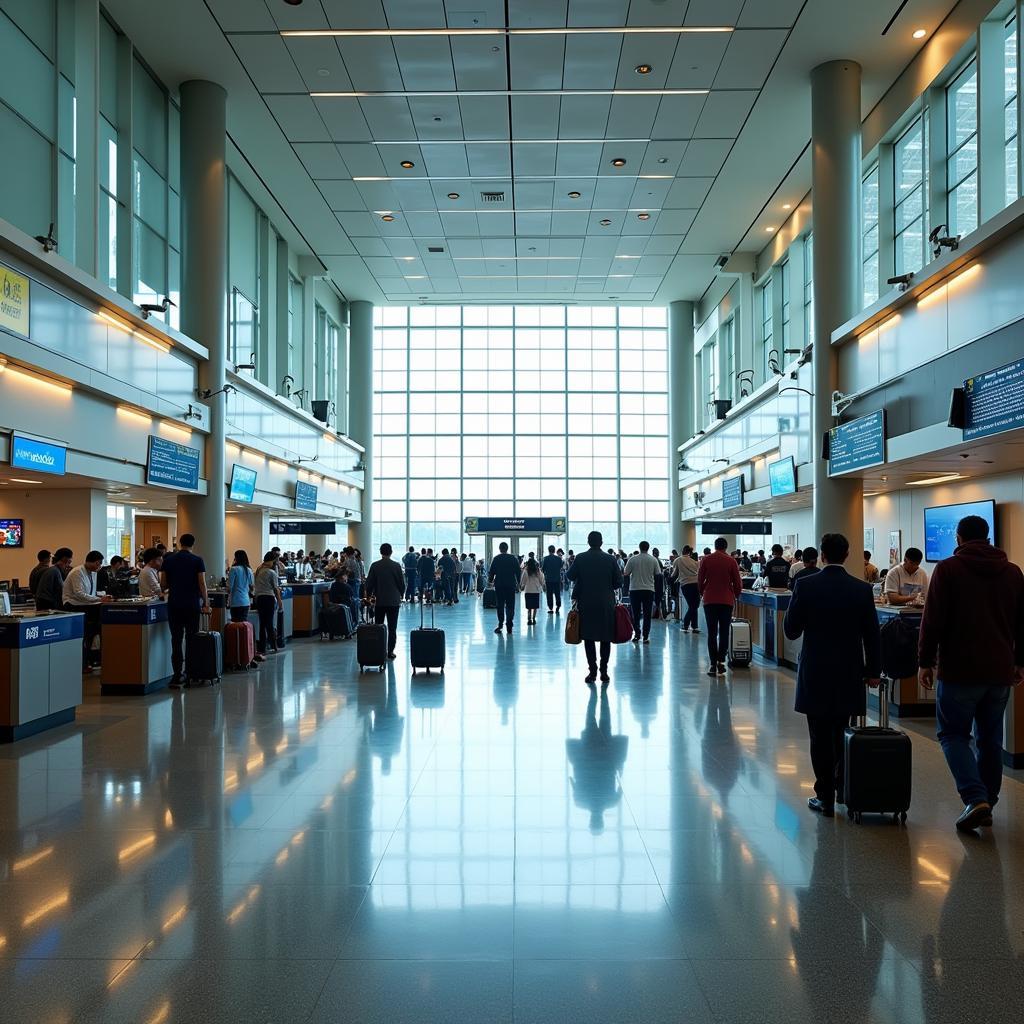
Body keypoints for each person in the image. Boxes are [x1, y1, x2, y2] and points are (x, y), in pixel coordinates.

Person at [918, 514, 1024, 832]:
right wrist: (1019, 660)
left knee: (952, 735)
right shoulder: (1013, 572)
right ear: (988, 538)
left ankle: (975, 797)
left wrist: (924, 661)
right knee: (990, 740)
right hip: (999, 670)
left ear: (959, 539)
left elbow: (932, 619)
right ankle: (987, 803)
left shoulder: (948, 569)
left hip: (959, 670)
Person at [783, 533, 881, 817]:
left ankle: (823, 795)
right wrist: (873, 670)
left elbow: (791, 629)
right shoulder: (861, 590)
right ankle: (842, 789)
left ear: (823, 556)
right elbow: (872, 635)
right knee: (842, 731)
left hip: (815, 671)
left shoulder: (805, 585)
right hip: (849, 672)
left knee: (819, 735)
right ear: (847, 554)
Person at [567, 530, 622, 686]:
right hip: (606, 603)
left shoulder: (581, 558)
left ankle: (592, 671)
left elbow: (570, 576)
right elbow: (618, 582)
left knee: (588, 637)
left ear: (588, 542)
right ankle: (604, 672)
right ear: (602, 542)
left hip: (586, 602)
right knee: (606, 637)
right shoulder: (610, 559)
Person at [160, 533, 211, 687]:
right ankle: (190, 673)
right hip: (192, 605)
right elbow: (202, 583)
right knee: (191, 639)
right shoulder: (197, 560)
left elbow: (163, 584)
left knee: (176, 640)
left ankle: (177, 675)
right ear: (193, 544)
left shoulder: (168, 560)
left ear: (180, 543)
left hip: (174, 604)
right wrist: (206, 603)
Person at [697, 538, 743, 675]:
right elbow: (737, 582)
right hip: (726, 600)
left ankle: (712, 664)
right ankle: (721, 661)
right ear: (726, 546)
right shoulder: (731, 561)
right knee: (724, 631)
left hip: (710, 600)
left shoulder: (706, 560)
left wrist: (702, 592)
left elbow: (700, 580)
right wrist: (736, 595)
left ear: (715, 546)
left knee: (712, 633)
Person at [63, 550, 109, 671]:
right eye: (98, 563)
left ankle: (92, 659)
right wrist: (98, 599)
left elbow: (91, 592)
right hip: (74, 606)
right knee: (84, 635)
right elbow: (79, 594)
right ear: (90, 562)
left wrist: (99, 598)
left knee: (93, 633)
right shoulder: (77, 572)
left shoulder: (93, 572)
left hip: (87, 605)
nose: (99, 566)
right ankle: (83, 663)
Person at [365, 543, 406, 660]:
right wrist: (401, 594)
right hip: (393, 601)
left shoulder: (375, 565)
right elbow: (401, 583)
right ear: (391, 552)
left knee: (379, 626)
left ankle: (379, 649)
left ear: (380, 552)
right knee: (392, 628)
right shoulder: (396, 566)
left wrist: (368, 597)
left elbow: (369, 584)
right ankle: (390, 651)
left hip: (380, 601)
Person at [623, 541, 660, 644]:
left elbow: (626, 573)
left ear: (639, 547)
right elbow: (658, 574)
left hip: (635, 589)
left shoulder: (633, 559)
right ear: (648, 548)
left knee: (635, 613)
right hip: (649, 590)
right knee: (647, 614)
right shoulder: (653, 560)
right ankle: (646, 636)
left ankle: (637, 635)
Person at [253, 551, 282, 657]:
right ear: (272, 561)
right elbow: (276, 589)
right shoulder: (271, 572)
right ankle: (274, 645)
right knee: (269, 623)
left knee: (262, 623)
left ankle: (262, 647)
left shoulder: (258, 570)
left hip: (259, 599)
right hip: (269, 598)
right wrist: (280, 602)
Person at [488, 541, 520, 634]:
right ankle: (509, 625)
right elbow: (518, 572)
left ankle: (500, 624)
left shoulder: (496, 558)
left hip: (499, 585)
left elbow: (492, 572)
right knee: (510, 605)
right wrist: (519, 583)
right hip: (510, 585)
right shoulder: (513, 558)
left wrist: (490, 581)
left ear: (500, 549)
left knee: (500, 605)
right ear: (507, 548)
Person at [673, 546, 700, 633]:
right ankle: (694, 626)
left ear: (682, 551)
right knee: (694, 605)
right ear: (690, 553)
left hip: (685, 585)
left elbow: (674, 573)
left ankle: (686, 624)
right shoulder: (695, 562)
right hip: (696, 584)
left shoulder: (678, 560)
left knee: (692, 606)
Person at [227, 550, 254, 623]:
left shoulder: (234, 569)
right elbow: (252, 587)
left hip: (236, 601)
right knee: (243, 624)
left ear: (236, 558)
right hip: (246, 602)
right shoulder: (249, 570)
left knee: (236, 624)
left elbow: (229, 587)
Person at [520, 554, 544, 626]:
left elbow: (523, 579)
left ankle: (529, 618)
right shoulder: (537, 570)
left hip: (528, 590)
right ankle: (534, 619)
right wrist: (543, 585)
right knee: (535, 606)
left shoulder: (526, 570)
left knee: (529, 606)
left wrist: (522, 586)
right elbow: (541, 579)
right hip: (536, 590)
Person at [541, 545, 564, 613]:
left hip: (549, 579)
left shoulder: (546, 559)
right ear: (554, 550)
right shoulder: (559, 559)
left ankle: (550, 608)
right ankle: (558, 606)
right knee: (557, 593)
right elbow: (560, 567)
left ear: (549, 550)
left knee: (549, 594)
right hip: (557, 579)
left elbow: (543, 569)